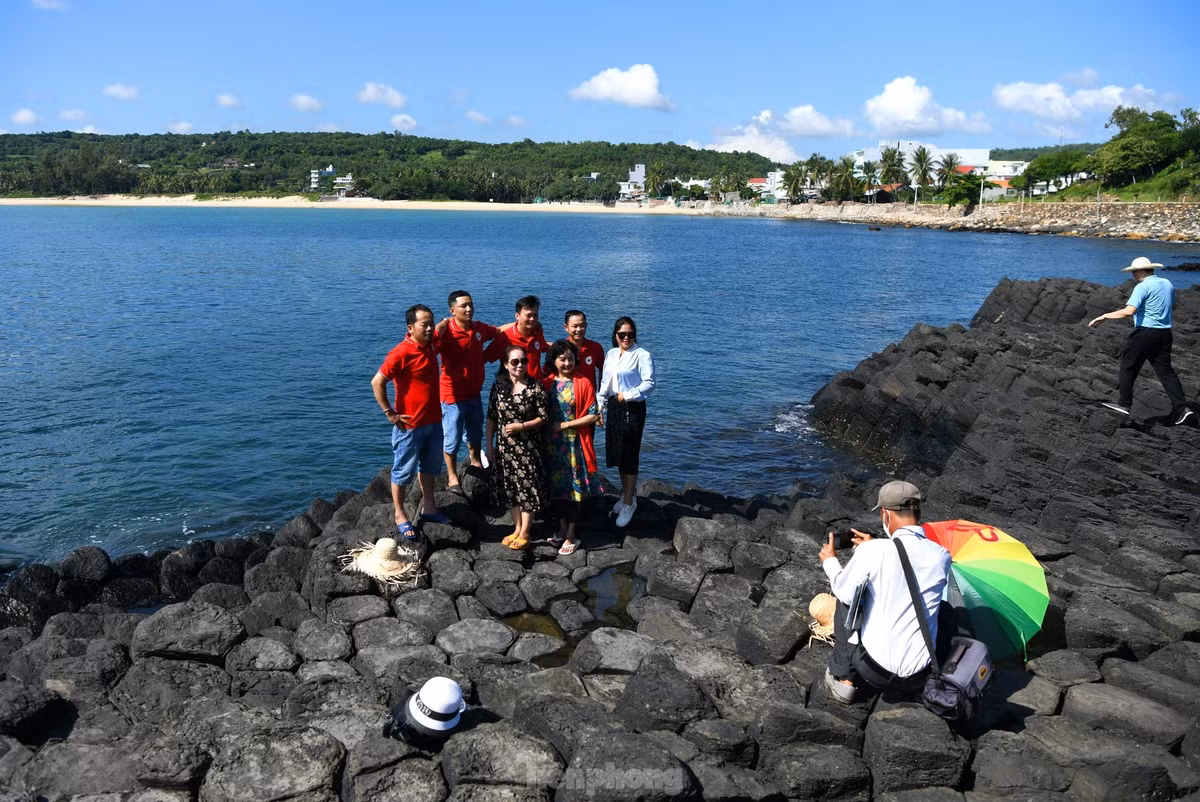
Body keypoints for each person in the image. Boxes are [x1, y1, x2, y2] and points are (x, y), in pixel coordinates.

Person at [818, 480, 952, 705]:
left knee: (847, 601)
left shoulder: (875, 551)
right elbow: (906, 567)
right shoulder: (941, 555)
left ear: (886, 514)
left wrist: (830, 561)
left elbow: (844, 590)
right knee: (942, 607)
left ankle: (845, 680)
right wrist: (873, 545)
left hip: (875, 671)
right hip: (919, 676)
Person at [371, 304, 450, 541]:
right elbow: (377, 382)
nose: (428, 328)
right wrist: (390, 413)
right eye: (423, 324)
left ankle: (429, 507)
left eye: (430, 323)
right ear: (410, 327)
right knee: (403, 470)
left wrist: (447, 320)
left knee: (429, 467)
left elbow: (441, 329)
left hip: (434, 421)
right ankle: (399, 514)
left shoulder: (431, 344)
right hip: (409, 425)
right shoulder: (400, 353)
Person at [1088, 256, 1193, 425]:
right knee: (1166, 372)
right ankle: (1182, 409)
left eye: (1133, 272)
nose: (1132, 276)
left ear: (1140, 271)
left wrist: (1105, 315)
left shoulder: (1142, 287)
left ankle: (1124, 405)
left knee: (1128, 367)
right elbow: (1173, 306)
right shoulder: (1167, 283)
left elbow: (1129, 311)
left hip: (1145, 333)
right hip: (1165, 334)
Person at [435, 290, 502, 489]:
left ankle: (475, 460)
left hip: (473, 393)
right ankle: (452, 475)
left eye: (470, 304)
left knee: (475, 432)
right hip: (451, 396)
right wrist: (441, 324)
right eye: (463, 305)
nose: (469, 309)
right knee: (452, 437)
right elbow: (430, 341)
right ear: (452, 310)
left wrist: (522, 326)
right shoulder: (447, 332)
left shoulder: (478, 328)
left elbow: (498, 331)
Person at [486, 345, 550, 549]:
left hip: (528, 448)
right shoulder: (498, 387)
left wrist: (521, 426)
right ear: (506, 364)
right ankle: (516, 528)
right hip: (505, 448)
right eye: (515, 361)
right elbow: (491, 417)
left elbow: (543, 417)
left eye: (523, 361)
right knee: (511, 489)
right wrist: (489, 443)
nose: (520, 365)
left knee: (527, 489)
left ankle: (525, 532)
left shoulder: (535, 387)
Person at [542, 339, 601, 555]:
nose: (567, 363)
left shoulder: (583, 382)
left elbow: (593, 415)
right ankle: (561, 528)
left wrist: (565, 425)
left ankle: (571, 535)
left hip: (574, 444)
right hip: (552, 446)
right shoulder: (547, 383)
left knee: (574, 490)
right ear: (554, 361)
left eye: (570, 358)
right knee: (556, 488)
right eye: (562, 359)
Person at [598, 316, 655, 528]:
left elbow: (649, 383)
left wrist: (628, 395)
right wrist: (600, 407)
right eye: (622, 334)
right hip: (614, 406)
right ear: (616, 335)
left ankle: (630, 502)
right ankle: (626, 494)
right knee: (617, 453)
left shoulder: (642, 355)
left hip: (632, 407)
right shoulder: (612, 354)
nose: (626, 338)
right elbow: (605, 382)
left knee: (629, 454)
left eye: (630, 334)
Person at [485, 295, 549, 381]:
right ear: (517, 316)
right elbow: (483, 359)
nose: (532, 319)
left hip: (536, 387)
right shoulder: (505, 338)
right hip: (512, 388)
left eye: (535, 315)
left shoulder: (538, 331)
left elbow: (543, 346)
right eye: (528, 315)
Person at [563, 309, 606, 396]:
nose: (579, 329)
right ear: (566, 327)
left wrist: (601, 391)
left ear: (586, 326)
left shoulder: (596, 348)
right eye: (575, 326)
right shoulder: (560, 349)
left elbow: (604, 370)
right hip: (566, 397)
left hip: (589, 397)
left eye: (582, 326)